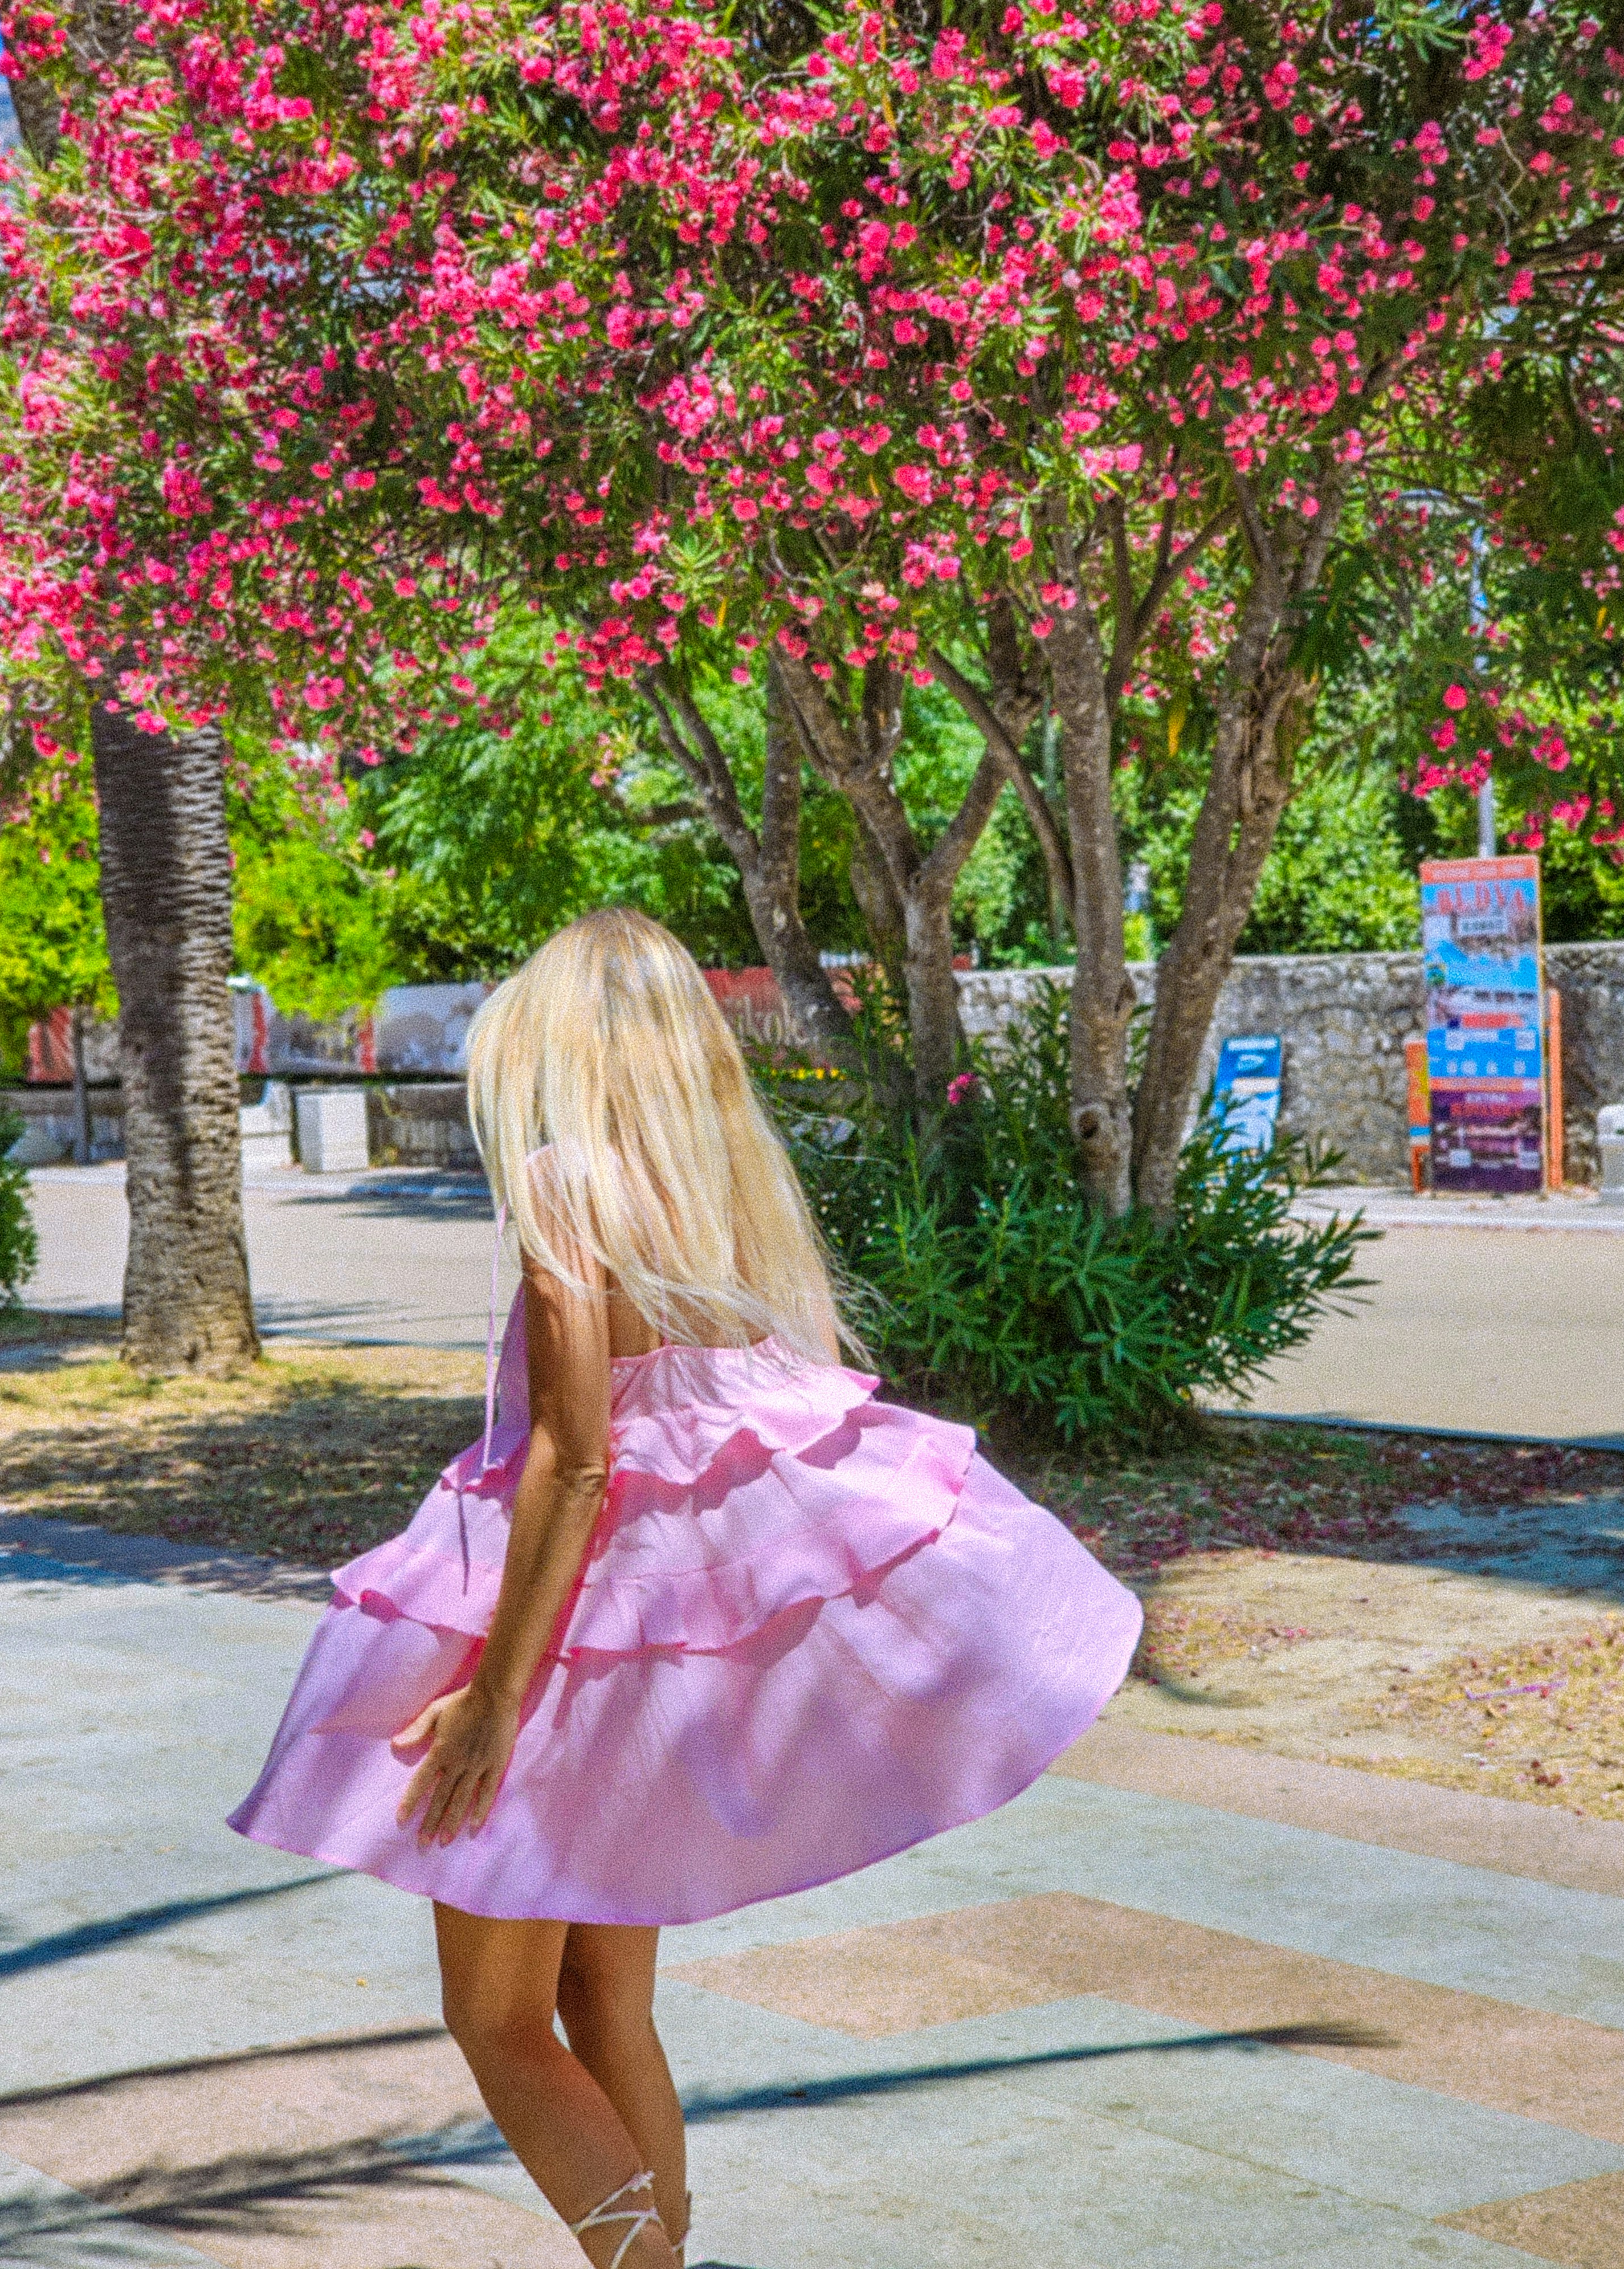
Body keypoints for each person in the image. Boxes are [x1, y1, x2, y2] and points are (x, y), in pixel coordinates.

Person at [230, 907, 1142, 2269]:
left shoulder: (559, 1182)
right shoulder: (723, 1188)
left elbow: (575, 1456)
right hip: (651, 1651)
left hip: (559, 1638)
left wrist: (490, 1697)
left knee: (497, 2019)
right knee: (607, 2001)